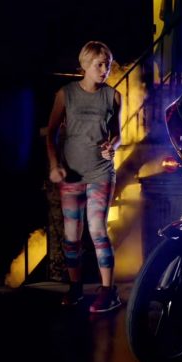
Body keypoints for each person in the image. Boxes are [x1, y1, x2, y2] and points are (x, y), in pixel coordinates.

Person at [46, 41, 123, 313]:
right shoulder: (65, 94)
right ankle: (75, 287)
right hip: (71, 175)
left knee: (98, 230)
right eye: (99, 64)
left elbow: (117, 135)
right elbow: (51, 133)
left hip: (100, 173)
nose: (105, 70)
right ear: (85, 65)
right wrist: (54, 166)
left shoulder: (113, 96)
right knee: (71, 236)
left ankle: (108, 291)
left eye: (108, 65)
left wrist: (112, 147)